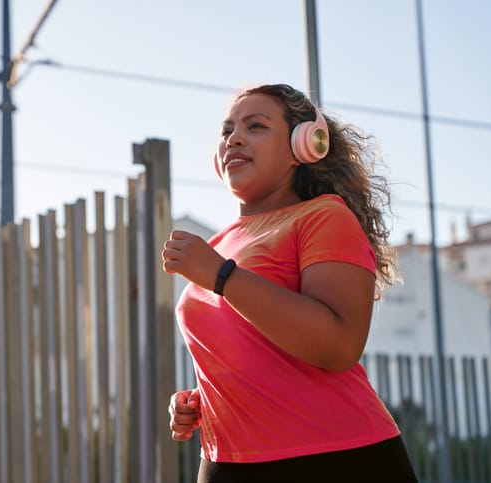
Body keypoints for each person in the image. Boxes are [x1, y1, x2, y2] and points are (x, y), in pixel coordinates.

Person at [162, 84, 418, 482]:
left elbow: (338, 346)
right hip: (226, 462)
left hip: (337, 458)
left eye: (256, 126)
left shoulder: (324, 217)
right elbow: (255, 349)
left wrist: (221, 276)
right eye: (227, 130)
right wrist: (207, 399)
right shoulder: (219, 243)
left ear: (303, 146)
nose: (235, 138)